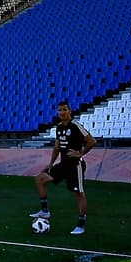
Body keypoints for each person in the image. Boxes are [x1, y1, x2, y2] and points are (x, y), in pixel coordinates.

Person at [31, 101, 96, 235]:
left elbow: (92, 141)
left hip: (75, 165)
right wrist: (50, 163)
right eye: (59, 110)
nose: (62, 112)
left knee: (79, 194)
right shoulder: (59, 128)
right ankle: (45, 211)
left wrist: (80, 153)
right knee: (40, 179)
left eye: (64, 109)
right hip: (63, 164)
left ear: (70, 111)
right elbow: (56, 148)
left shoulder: (76, 126)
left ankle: (81, 225)